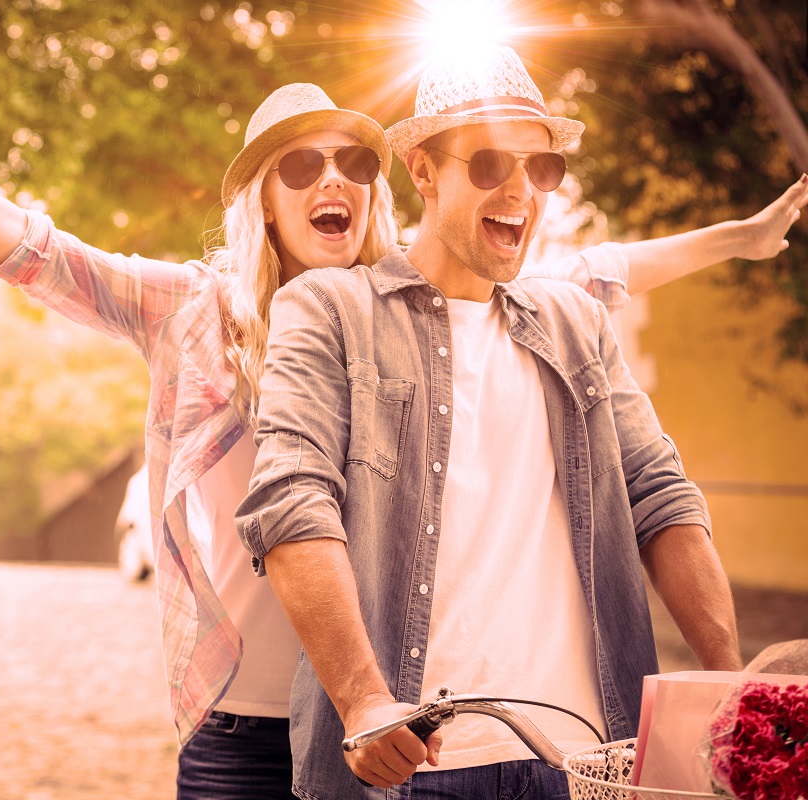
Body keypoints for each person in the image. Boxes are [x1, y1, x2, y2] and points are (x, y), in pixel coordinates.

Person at [0, 40, 804, 799]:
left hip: (388, 703)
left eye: (350, 161)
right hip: (247, 711)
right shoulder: (191, 310)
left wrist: (737, 241)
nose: (332, 177)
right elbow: (22, 240)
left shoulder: (418, 307)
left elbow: (585, 274)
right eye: (301, 163)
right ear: (263, 193)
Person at [235, 46, 763, 800]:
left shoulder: (577, 321)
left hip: (590, 762)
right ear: (421, 170)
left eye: (541, 167)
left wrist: (724, 682)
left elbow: (663, 497)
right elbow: (291, 502)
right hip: (413, 768)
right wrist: (363, 702)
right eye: (488, 163)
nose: (520, 189)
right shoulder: (327, 311)